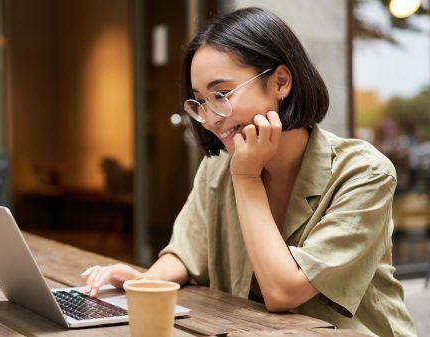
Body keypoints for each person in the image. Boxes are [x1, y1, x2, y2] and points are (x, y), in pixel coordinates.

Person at [81, 7, 416, 336]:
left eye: (222, 94)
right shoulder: (217, 168)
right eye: (199, 101)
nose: (209, 119)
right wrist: (144, 283)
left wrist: (246, 177)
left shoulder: (364, 172)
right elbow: (187, 252)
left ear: (281, 82)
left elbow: (283, 292)